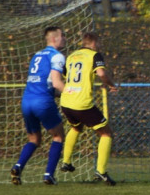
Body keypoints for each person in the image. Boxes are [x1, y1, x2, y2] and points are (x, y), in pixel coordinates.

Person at [58, 32, 119, 185]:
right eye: (98, 43)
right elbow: (101, 73)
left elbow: (66, 75)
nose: (99, 46)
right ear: (93, 43)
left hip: (66, 101)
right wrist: (111, 84)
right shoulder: (94, 55)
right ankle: (101, 171)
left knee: (76, 128)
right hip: (82, 103)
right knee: (106, 133)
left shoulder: (71, 56)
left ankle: (66, 162)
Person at [10, 27, 67, 185]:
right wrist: (73, 93)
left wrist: (58, 93)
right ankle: (48, 175)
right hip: (42, 102)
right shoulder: (57, 56)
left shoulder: (37, 55)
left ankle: (17, 167)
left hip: (27, 101)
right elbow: (56, 83)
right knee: (58, 136)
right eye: (62, 35)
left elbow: (44, 83)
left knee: (34, 139)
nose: (65, 38)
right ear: (54, 39)